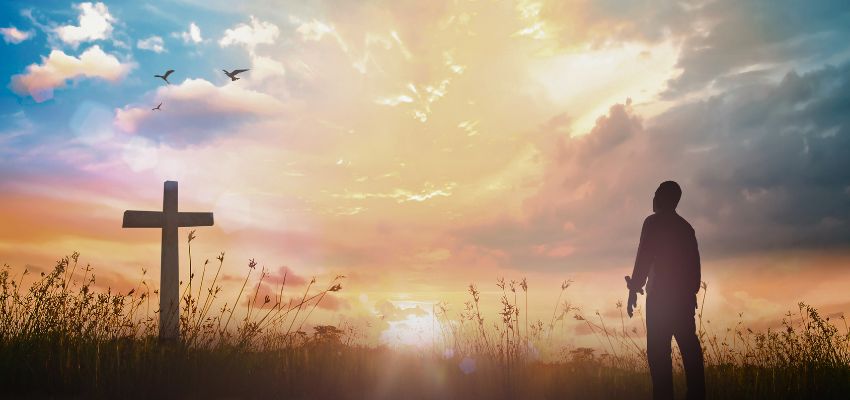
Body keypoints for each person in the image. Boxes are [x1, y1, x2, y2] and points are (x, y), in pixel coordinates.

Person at [625, 181, 705, 400]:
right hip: (684, 301)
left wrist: (634, 287)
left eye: (654, 195)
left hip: (660, 300)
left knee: (659, 358)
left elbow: (644, 257)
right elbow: (694, 266)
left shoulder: (652, 223)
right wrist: (691, 294)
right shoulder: (686, 227)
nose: (652, 199)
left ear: (659, 198)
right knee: (690, 352)